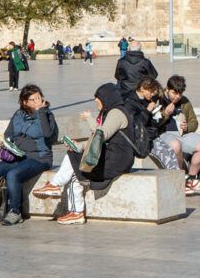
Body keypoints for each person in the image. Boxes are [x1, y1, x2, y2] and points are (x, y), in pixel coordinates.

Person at [32, 83, 136, 225]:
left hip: (115, 160)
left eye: (97, 97)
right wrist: (80, 146)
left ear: (106, 97)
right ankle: (76, 213)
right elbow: (98, 141)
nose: (95, 101)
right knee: (75, 171)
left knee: (72, 156)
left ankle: (55, 185)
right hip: (113, 157)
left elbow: (102, 135)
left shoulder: (116, 113)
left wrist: (89, 119)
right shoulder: (111, 112)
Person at [0, 85, 58, 226]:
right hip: (18, 156)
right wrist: (6, 143)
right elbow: (8, 134)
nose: (38, 101)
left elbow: (49, 135)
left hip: (39, 158)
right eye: (34, 99)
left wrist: (42, 112)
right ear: (25, 102)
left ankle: (15, 211)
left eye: (39, 97)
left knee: (13, 174)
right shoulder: (18, 115)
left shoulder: (47, 115)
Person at [156, 75, 200, 194]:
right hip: (164, 134)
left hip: (183, 134)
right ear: (167, 89)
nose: (177, 96)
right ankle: (180, 179)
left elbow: (194, 122)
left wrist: (188, 127)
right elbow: (153, 123)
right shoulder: (158, 100)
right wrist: (166, 113)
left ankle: (192, 177)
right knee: (175, 145)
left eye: (180, 93)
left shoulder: (185, 102)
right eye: (174, 93)